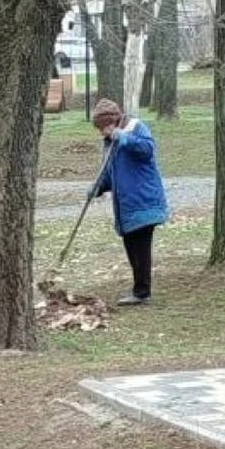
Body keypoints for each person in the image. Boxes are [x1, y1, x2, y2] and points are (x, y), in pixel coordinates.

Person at [87, 99, 169, 305]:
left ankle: (142, 292)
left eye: (103, 127)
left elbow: (147, 150)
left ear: (112, 122)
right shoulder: (109, 143)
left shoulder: (136, 128)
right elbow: (110, 174)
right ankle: (139, 289)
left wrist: (123, 137)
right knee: (131, 247)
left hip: (143, 200)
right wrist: (97, 187)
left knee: (140, 248)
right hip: (125, 205)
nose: (101, 132)